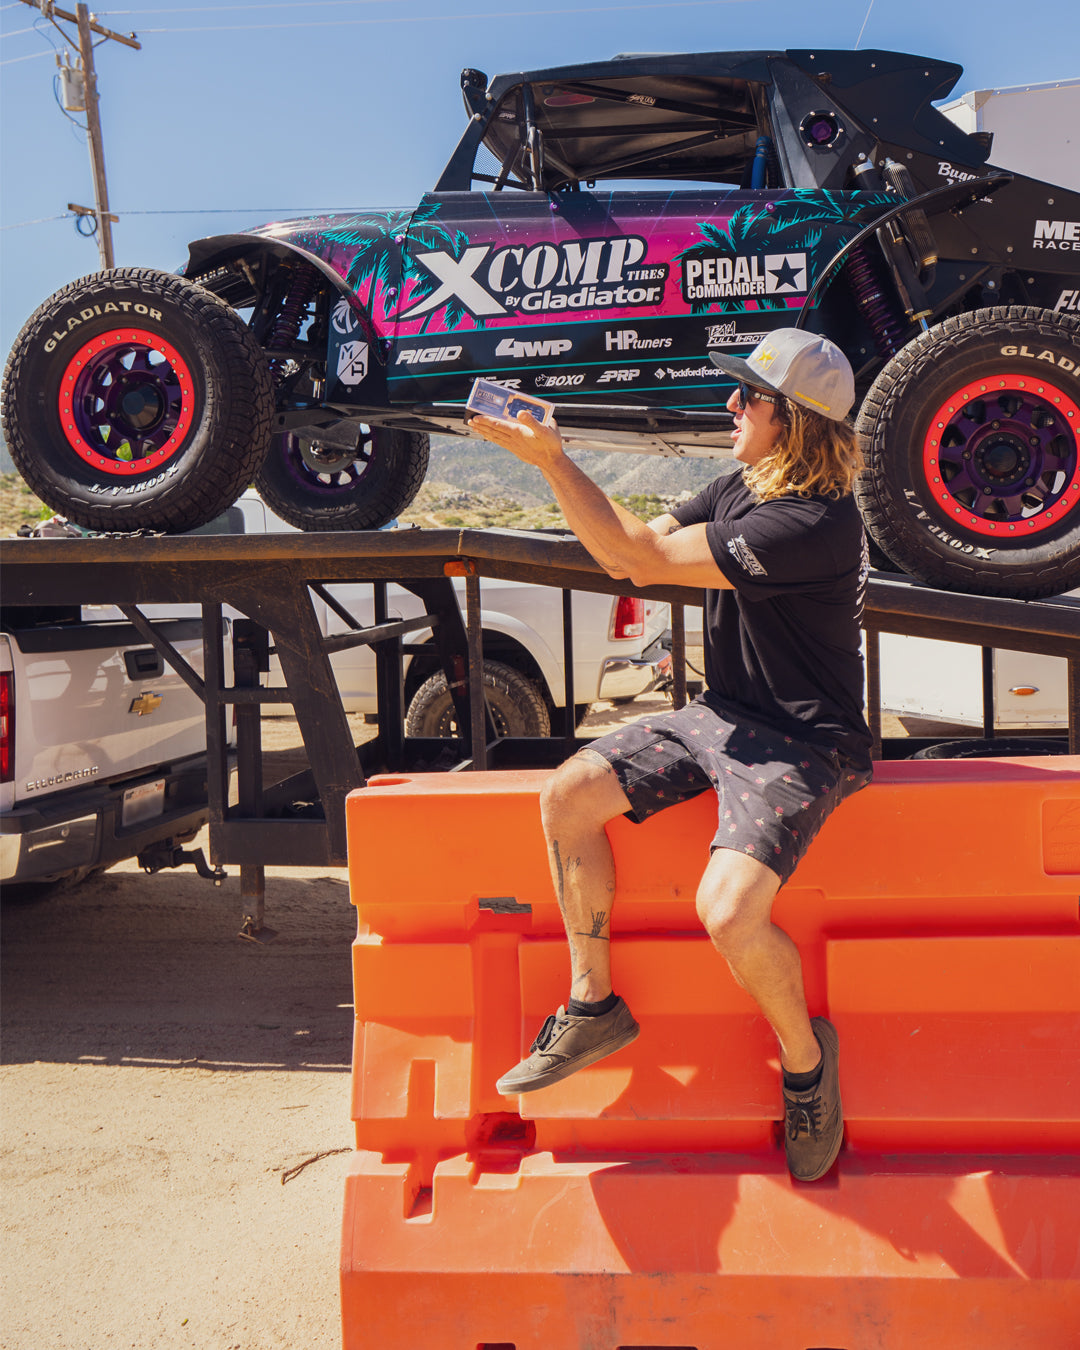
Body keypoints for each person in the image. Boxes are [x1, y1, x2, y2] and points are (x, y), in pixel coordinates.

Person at [468, 328, 873, 1182]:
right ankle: (592, 1005)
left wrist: (552, 460)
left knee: (728, 913)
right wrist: (561, 474)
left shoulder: (812, 524)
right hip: (723, 714)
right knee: (569, 793)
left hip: (804, 740)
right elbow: (630, 550)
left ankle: (807, 1064)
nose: (731, 406)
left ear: (793, 422)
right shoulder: (743, 486)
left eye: (749, 398)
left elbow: (637, 558)